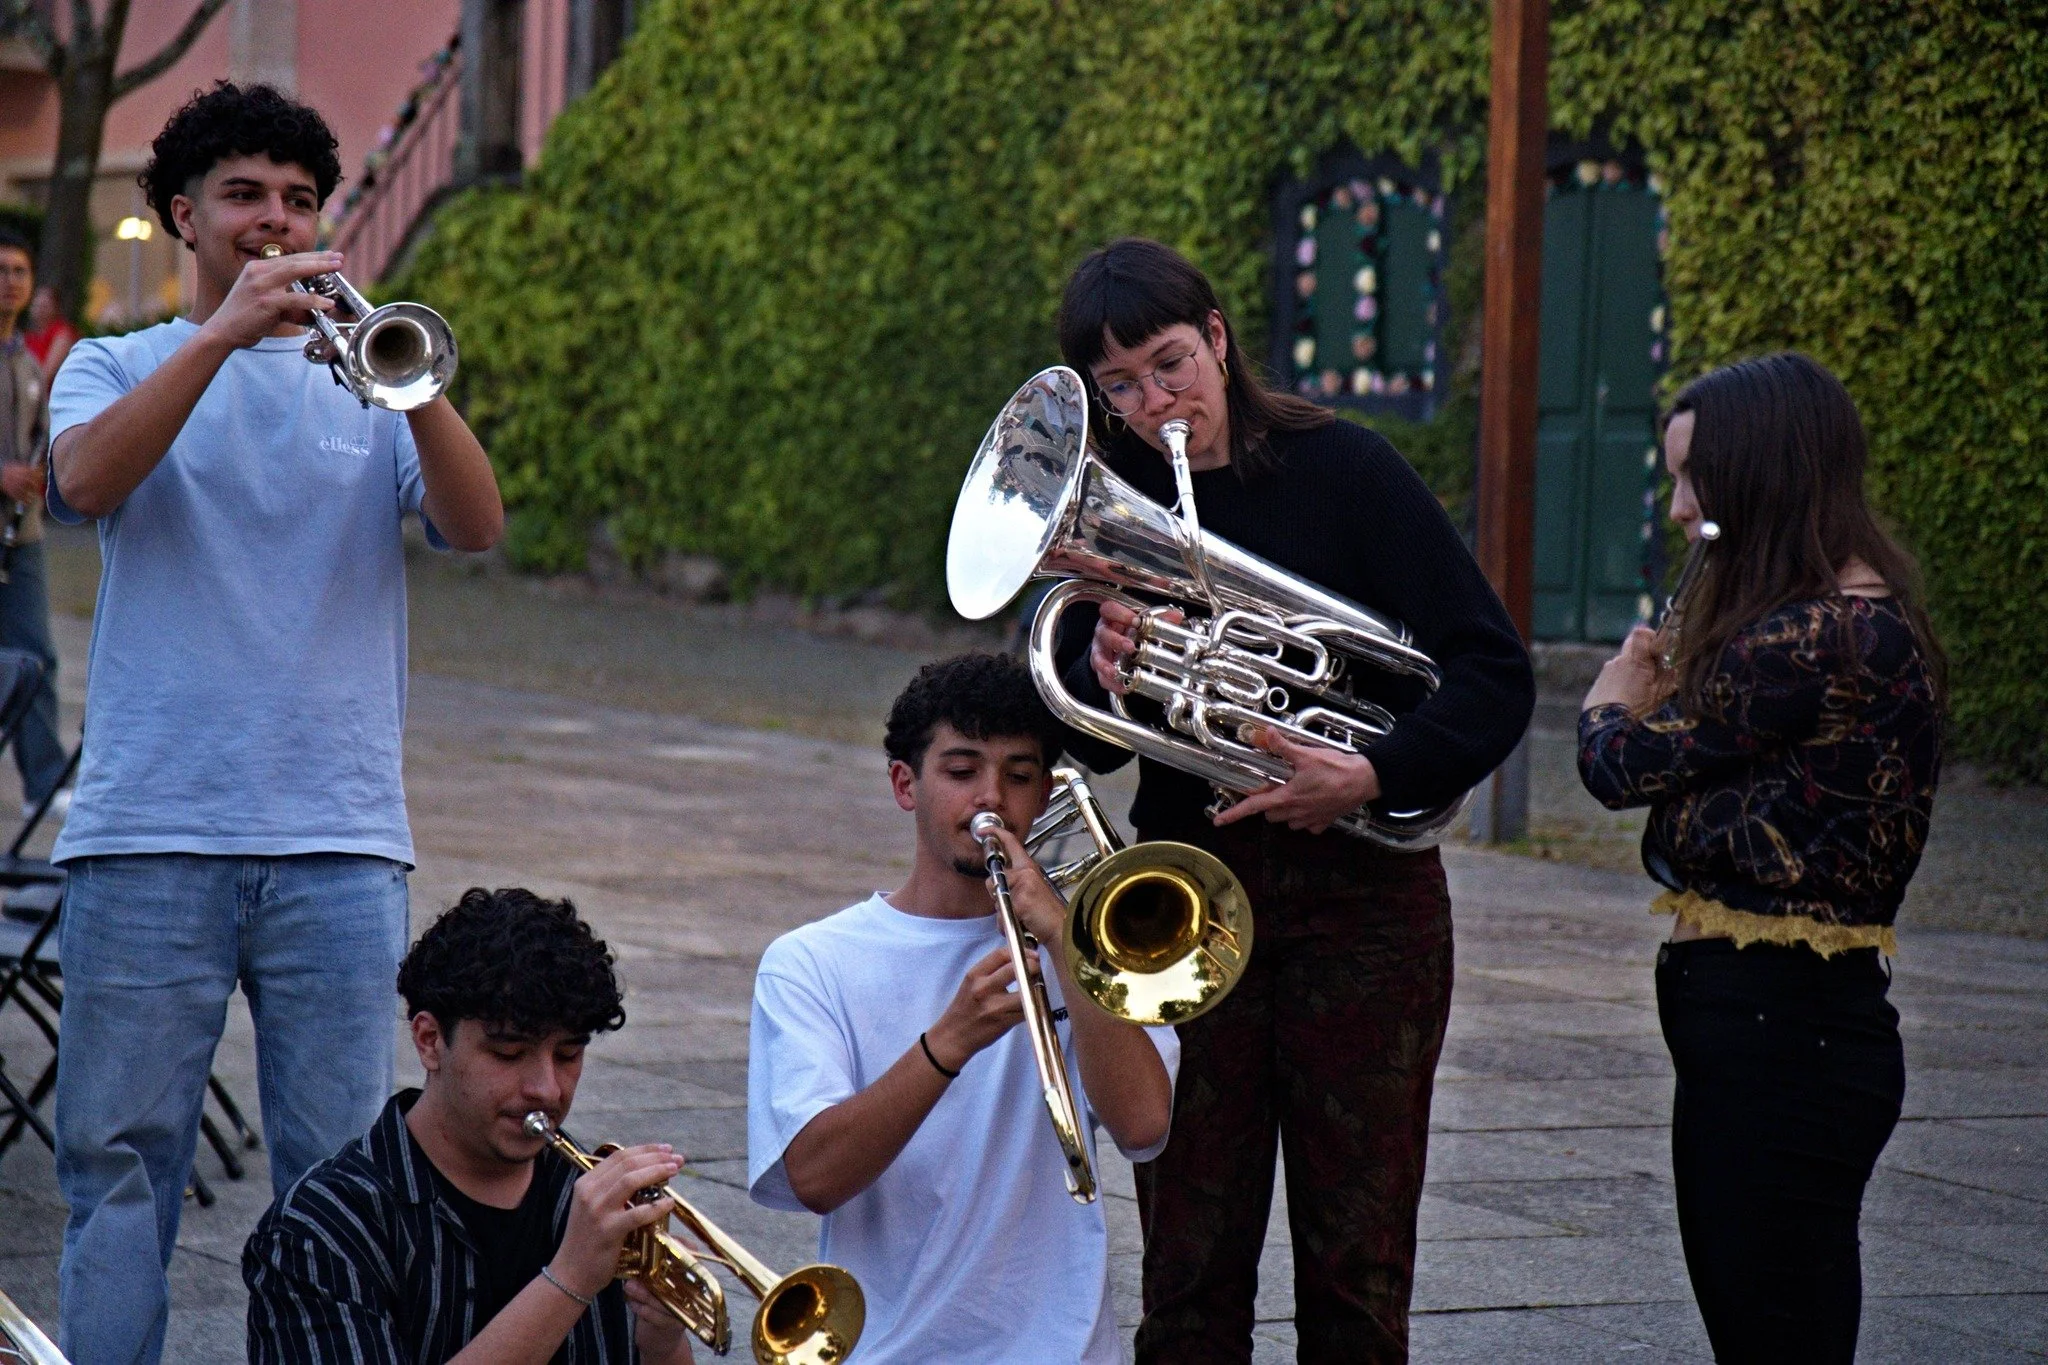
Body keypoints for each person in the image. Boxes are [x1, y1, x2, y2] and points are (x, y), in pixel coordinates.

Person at [45, 83, 503, 1364]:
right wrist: (222, 336)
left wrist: (411, 385)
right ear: (182, 215)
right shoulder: (116, 362)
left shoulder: (367, 385)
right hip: (149, 832)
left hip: (339, 837)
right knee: (119, 1168)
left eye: (300, 201)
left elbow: (475, 526)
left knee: (340, 1176)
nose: (275, 221)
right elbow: (82, 482)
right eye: (245, 196)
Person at [1053, 237, 1534, 1363]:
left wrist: (1369, 774)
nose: (1152, 402)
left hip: (1363, 911)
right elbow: (1094, 737)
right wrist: (1102, 663)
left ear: (1218, 338)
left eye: (1170, 364)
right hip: (1185, 899)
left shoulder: (1346, 472)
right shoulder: (1116, 505)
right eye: (1119, 386)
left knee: (1356, 1269)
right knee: (1185, 1270)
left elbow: (1490, 671)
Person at [1578, 352, 1943, 1363]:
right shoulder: (1850, 625)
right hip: (1785, 1026)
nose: (1678, 505)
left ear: (1762, 471)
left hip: (1778, 1031)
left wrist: (1611, 696)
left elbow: (1617, 768)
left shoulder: (1804, 638)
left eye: (1693, 476)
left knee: (1771, 1330)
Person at [746, 651, 1178, 1364]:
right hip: (888, 1349)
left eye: (1018, 774)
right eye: (961, 770)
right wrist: (947, 1042)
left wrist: (1068, 944)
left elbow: (1142, 1124)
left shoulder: (1090, 945)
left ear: (1044, 794)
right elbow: (814, 1178)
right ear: (903, 783)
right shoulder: (811, 962)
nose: (991, 798)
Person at [244, 887, 695, 1363]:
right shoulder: (320, 1229)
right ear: (430, 1040)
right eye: (508, 1053)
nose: (546, 1088)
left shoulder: (586, 1196)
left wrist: (660, 1335)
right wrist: (571, 1278)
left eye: (568, 1054)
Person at [0, 229, 69, 818]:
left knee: (37, 659)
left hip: (19, 538)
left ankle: (45, 785)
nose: (11, 283)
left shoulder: (26, 359)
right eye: (1, 270)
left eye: (20, 271)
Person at [24, 284, 79, 382]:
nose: (40, 311)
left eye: (45, 306)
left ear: (55, 308)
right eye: (37, 306)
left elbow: (45, 374)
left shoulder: (62, 333)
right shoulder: (29, 337)